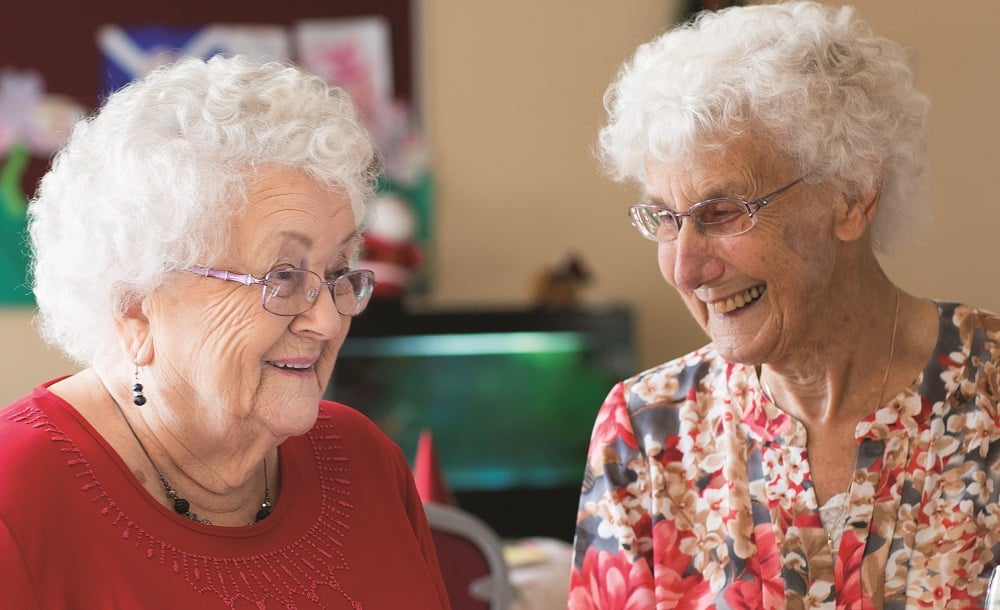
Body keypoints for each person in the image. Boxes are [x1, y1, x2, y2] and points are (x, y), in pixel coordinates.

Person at [568, 2, 1000, 608]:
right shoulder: (646, 433)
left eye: (721, 213)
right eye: (666, 219)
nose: (686, 269)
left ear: (852, 196)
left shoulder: (991, 396)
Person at [0, 54, 450, 609]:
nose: (328, 318)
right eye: (282, 276)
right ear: (135, 306)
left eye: (336, 272)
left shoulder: (364, 462)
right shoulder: (15, 499)